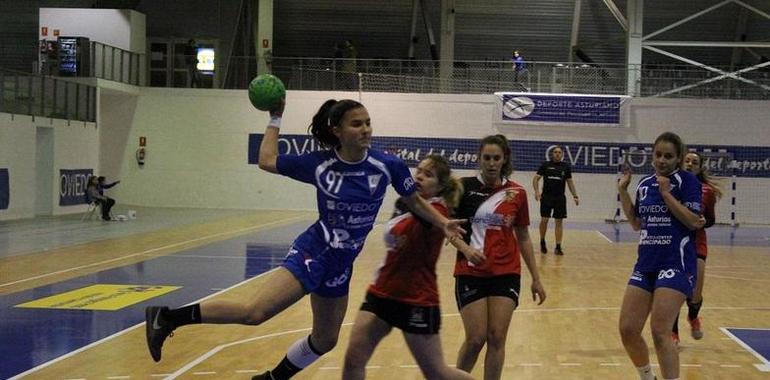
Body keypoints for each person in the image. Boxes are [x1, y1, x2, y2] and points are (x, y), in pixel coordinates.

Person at [144, 99, 465, 380]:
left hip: (342, 263)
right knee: (255, 313)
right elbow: (267, 160)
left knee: (326, 340)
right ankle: (168, 317)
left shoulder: (387, 165)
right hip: (315, 251)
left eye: (368, 122)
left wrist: (443, 222)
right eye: (356, 124)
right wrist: (275, 118)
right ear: (337, 131)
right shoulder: (320, 164)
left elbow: (413, 199)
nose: (365, 129)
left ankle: (272, 377)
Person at [342, 155, 479, 380]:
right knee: (353, 360)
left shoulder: (439, 212)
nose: (420, 176)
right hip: (382, 291)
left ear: (441, 186)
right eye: (419, 171)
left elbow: (420, 209)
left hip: (417, 298)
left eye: (429, 174)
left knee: (437, 373)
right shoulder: (403, 203)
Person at [453, 134, 546, 380]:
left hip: (506, 273)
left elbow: (523, 235)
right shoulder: (463, 187)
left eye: (496, 158)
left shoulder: (517, 193)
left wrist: (536, 278)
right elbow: (449, 230)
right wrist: (465, 249)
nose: (491, 163)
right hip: (470, 272)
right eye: (487, 158)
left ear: (504, 159)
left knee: (496, 337)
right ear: (479, 158)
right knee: (475, 339)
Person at [617, 132, 705, 380]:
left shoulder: (686, 181)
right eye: (658, 155)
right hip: (646, 264)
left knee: (659, 330)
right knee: (628, 329)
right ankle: (647, 377)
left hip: (675, 263)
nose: (662, 160)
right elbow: (636, 223)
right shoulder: (645, 184)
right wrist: (624, 192)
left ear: (678, 159)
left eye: (668, 156)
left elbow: (692, 221)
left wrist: (667, 195)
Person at [671, 151, 722, 343]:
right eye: (687, 161)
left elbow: (711, 219)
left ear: (700, 168)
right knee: (674, 290)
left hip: (697, 242)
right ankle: (673, 332)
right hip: (676, 241)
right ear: (681, 163)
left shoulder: (707, 191)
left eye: (695, 162)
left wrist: (703, 221)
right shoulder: (672, 187)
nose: (690, 164)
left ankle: (693, 316)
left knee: (696, 291)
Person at [532, 145, 579, 255]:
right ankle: (542, 241)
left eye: (559, 152)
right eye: (555, 152)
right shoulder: (545, 165)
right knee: (544, 220)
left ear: (562, 154)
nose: (557, 154)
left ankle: (558, 246)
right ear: (552, 154)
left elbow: (570, 182)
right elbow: (536, 179)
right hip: (547, 197)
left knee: (559, 221)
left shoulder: (565, 167)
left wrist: (575, 195)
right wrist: (537, 191)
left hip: (559, 198)